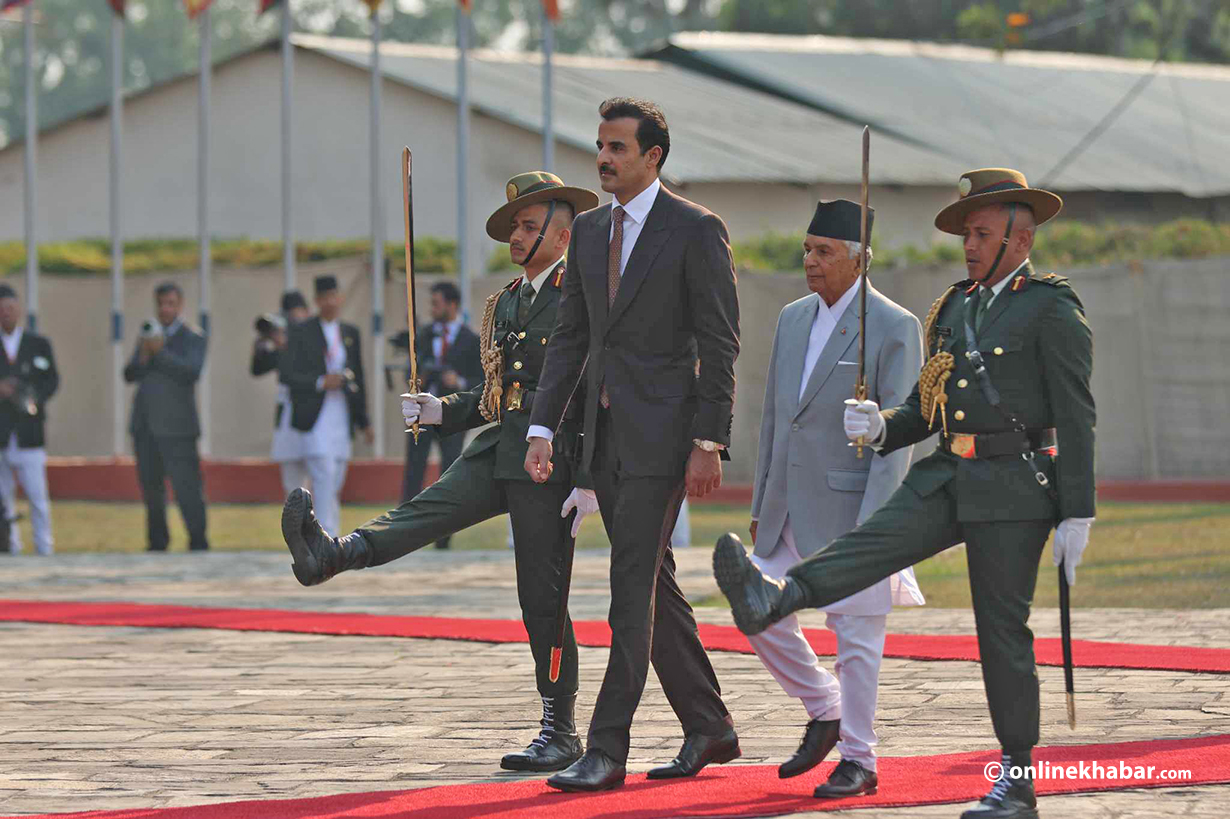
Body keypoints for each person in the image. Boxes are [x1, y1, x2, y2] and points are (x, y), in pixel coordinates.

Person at [714, 169, 1096, 819]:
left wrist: (1076, 508)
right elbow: (929, 403)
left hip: (1014, 484)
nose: (969, 244)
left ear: (1022, 236)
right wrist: (885, 425)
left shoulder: (1051, 307)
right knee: (872, 542)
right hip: (949, 470)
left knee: (1001, 629)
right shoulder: (955, 307)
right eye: (966, 233)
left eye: (981, 232)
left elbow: (1077, 411)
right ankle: (777, 595)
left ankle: (1018, 779)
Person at [280, 172, 600, 774]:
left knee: (543, 595)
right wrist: (437, 412)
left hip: (552, 459)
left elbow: (591, 389)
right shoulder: (507, 300)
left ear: (562, 235)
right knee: (421, 513)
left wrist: (587, 477)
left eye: (530, 227)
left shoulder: (580, 295)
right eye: (514, 227)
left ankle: (560, 728)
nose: (518, 236)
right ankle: (332, 554)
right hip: (501, 446)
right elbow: (495, 391)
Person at [525, 98, 741, 793]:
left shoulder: (695, 229)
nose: (604, 158)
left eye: (618, 147)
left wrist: (709, 438)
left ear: (653, 156)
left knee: (628, 589)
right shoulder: (588, 232)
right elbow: (573, 337)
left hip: (666, 438)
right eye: (600, 145)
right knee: (655, 586)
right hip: (600, 435)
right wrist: (540, 424)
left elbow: (720, 341)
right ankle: (710, 725)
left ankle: (606, 747)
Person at [745, 200, 925, 798]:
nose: (810, 261)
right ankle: (822, 705)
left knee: (857, 639)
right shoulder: (792, 318)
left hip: (853, 510)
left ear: (858, 260)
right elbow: (776, 416)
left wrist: (876, 527)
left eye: (824, 252)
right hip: (786, 508)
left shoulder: (893, 326)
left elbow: (899, 438)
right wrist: (762, 499)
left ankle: (860, 758)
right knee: (756, 608)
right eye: (807, 249)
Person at [280, 275, 372, 538]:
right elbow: (287, 375)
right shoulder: (301, 331)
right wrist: (321, 382)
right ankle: (328, 537)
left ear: (341, 298)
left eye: (335, 296)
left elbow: (360, 377)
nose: (331, 302)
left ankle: (324, 532)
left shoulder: (349, 333)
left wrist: (364, 421)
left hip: (341, 413)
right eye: (325, 297)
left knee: (336, 477)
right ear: (317, 301)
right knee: (323, 473)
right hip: (314, 414)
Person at [124, 281, 209, 552]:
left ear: (180, 305)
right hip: (146, 427)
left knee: (188, 491)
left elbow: (191, 371)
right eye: (161, 304)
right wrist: (146, 354)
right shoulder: (148, 336)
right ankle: (157, 543)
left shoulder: (193, 336)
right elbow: (129, 374)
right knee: (151, 491)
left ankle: (198, 542)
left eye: (170, 304)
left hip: (178, 429)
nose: (165, 309)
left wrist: (160, 353)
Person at [397, 281, 482, 548]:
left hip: (452, 416)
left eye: (437, 303)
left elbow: (480, 380)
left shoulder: (471, 340)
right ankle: (402, 533)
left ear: (452, 305)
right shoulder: (421, 335)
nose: (432, 309)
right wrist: (418, 378)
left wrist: (457, 381)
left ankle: (443, 538)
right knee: (413, 472)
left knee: (449, 474)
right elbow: (409, 371)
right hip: (421, 414)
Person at [0, 285, 59, 555]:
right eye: (1, 309)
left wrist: (30, 395)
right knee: (4, 498)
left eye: (10, 308)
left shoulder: (38, 344)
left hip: (29, 431)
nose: (6, 314)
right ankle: (9, 547)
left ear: (19, 310)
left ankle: (44, 548)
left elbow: (52, 380)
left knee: (37, 496)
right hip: (2, 431)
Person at [252, 290, 312, 494]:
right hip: (287, 412)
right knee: (291, 479)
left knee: (317, 473)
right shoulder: (282, 343)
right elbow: (257, 369)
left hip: (312, 409)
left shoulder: (315, 335)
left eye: (295, 313)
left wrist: (289, 346)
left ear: (306, 312)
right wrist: (263, 346)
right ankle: (296, 520)